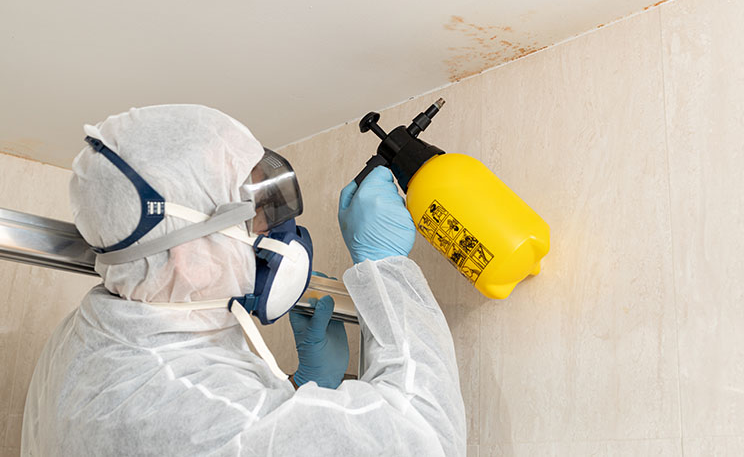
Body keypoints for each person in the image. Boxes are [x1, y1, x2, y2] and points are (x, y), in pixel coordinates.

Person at [21, 104, 466, 456]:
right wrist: (385, 270)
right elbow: (428, 438)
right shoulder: (188, 412)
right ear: (187, 257)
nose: (274, 228)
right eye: (251, 212)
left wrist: (298, 388)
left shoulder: (88, 337)